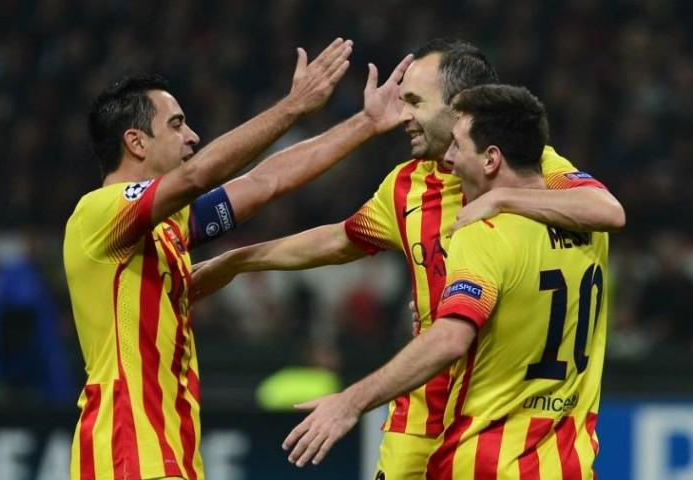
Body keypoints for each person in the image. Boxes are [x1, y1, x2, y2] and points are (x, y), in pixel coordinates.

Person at [190, 39, 624, 478]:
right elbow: (341, 239)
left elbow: (606, 211)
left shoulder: (533, 168)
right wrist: (241, 260)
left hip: (496, 403)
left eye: (414, 101)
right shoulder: (406, 185)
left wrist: (501, 200)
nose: (403, 116)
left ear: (460, 110)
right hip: (422, 409)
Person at [63, 38, 413, 480]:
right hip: (126, 454)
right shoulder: (100, 213)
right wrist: (292, 107)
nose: (192, 136)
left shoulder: (168, 225)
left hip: (169, 452)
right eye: (176, 125)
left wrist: (365, 123)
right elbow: (196, 175)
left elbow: (265, 182)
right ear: (136, 141)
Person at [283, 84, 609, 478]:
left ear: (491, 159)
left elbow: (451, 339)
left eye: (457, 146)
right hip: (569, 462)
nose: (449, 159)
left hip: (485, 462)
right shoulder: (592, 229)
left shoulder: (483, 230)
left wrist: (351, 402)